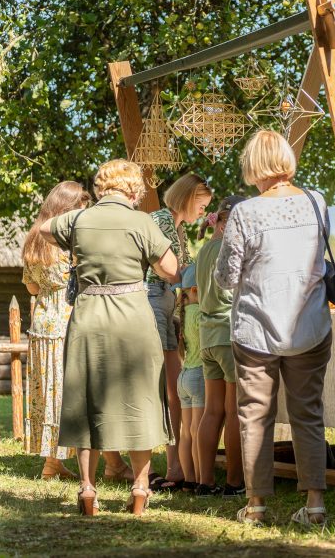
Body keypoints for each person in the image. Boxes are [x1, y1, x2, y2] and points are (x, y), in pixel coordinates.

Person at [39, 159, 180, 516]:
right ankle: (140, 487)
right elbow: (171, 269)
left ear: (102, 187)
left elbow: (44, 229)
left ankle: (87, 489)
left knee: (87, 399)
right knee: (142, 396)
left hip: (89, 315)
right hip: (132, 314)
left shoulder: (79, 219)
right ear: (134, 189)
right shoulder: (142, 221)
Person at [215, 129, 331, 527]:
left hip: (257, 329)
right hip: (310, 323)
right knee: (308, 415)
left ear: (252, 165)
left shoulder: (245, 212)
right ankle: (315, 505)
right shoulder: (318, 202)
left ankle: (257, 506)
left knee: (255, 417)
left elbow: (227, 277)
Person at [146, 172, 212, 490]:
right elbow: (171, 272)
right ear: (188, 198)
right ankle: (170, 465)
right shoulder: (160, 219)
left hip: (167, 305)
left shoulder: (177, 227)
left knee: (174, 391)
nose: (202, 212)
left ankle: (176, 466)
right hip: (154, 301)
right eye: (201, 205)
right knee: (165, 389)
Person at [21, 181, 90, 480]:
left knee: (47, 392)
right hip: (67, 321)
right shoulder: (68, 242)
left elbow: (32, 286)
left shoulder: (33, 239)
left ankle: (52, 462)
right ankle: (60, 461)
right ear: (67, 209)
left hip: (42, 323)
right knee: (67, 393)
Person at [195, 195, 246, 499]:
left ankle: (203, 482)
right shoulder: (230, 249)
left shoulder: (203, 251)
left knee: (211, 411)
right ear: (226, 223)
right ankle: (234, 481)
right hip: (228, 333)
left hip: (206, 336)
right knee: (234, 410)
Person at [176, 264, 204, 493]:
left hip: (183, 376)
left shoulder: (183, 315)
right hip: (199, 376)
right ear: (196, 290)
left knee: (186, 431)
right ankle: (200, 475)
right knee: (197, 430)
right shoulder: (199, 314)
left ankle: (188, 479)